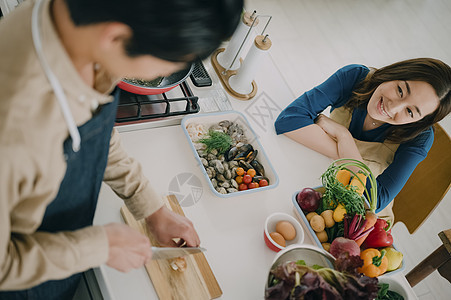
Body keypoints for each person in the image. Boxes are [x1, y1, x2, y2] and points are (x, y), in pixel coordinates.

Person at [0, 0, 243, 298]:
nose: (168, 71)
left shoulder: (81, 29)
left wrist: (150, 206)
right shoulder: (14, 129)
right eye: (171, 62)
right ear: (115, 37)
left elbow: (94, 130)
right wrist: (98, 246)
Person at [275, 58, 451, 215]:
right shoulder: (356, 77)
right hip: (310, 171)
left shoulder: (419, 138)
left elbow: (373, 200)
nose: (393, 107)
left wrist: (344, 137)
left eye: (410, 111)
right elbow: (288, 120)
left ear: (420, 121)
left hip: (354, 213)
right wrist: (349, 157)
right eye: (400, 90)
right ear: (395, 73)